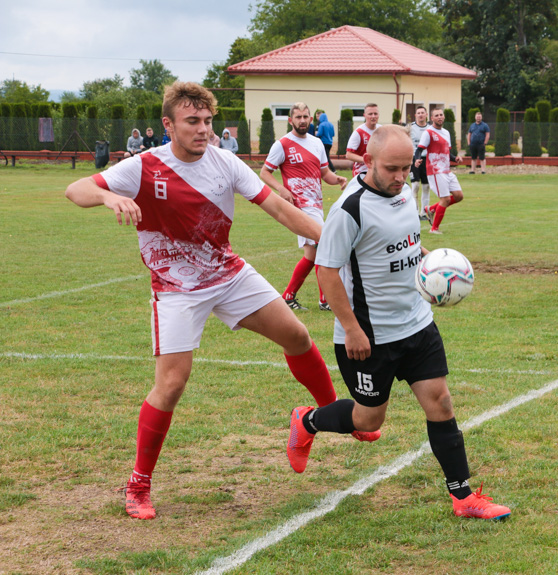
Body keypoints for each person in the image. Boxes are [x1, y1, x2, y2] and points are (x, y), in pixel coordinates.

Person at [64, 81, 348, 521]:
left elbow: (279, 209)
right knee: (172, 384)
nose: (202, 130)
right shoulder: (144, 166)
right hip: (176, 288)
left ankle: (329, 415)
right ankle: (138, 485)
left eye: (207, 121)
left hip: (227, 273)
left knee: (296, 334)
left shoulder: (225, 162)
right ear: (169, 124)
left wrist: (336, 240)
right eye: (192, 121)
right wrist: (108, 195)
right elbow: (76, 189)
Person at [287, 125, 511, 521]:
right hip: (370, 336)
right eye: (391, 168)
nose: (399, 177)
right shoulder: (349, 209)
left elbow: (409, 240)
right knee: (368, 419)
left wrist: (435, 266)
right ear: (368, 161)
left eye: (406, 168)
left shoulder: (404, 192)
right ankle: (307, 420)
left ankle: (463, 498)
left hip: (417, 324)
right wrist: (352, 328)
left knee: (440, 402)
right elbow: (326, 271)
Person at [260, 102, 348, 312]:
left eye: (305, 117)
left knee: (312, 255)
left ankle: (288, 296)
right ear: (290, 120)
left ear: (311, 119)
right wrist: (281, 189)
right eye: (298, 117)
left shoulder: (317, 143)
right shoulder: (282, 144)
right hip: (300, 207)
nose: (302, 120)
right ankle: (325, 300)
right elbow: (264, 172)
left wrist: (337, 179)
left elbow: (324, 173)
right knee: (324, 247)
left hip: (316, 205)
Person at [415, 108, 464, 235]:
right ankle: (434, 229)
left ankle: (431, 209)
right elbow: (419, 149)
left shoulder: (446, 133)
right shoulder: (429, 132)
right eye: (436, 115)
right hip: (435, 170)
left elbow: (447, 152)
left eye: (441, 115)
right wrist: (417, 159)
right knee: (445, 199)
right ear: (432, 118)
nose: (439, 117)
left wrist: (455, 158)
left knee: (459, 196)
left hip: (447, 170)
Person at [408, 106, 432, 220]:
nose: (421, 115)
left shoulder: (430, 128)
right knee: (415, 185)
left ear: (426, 114)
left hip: (427, 159)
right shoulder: (410, 127)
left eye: (423, 112)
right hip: (413, 159)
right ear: (415, 115)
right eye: (418, 113)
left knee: (426, 186)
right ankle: (414, 212)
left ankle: (424, 212)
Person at [345, 103, 379, 177]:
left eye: (375, 114)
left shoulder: (381, 130)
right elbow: (348, 155)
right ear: (365, 115)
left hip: (378, 172)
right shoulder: (359, 132)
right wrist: (367, 160)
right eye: (370, 114)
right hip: (361, 173)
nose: (373, 116)